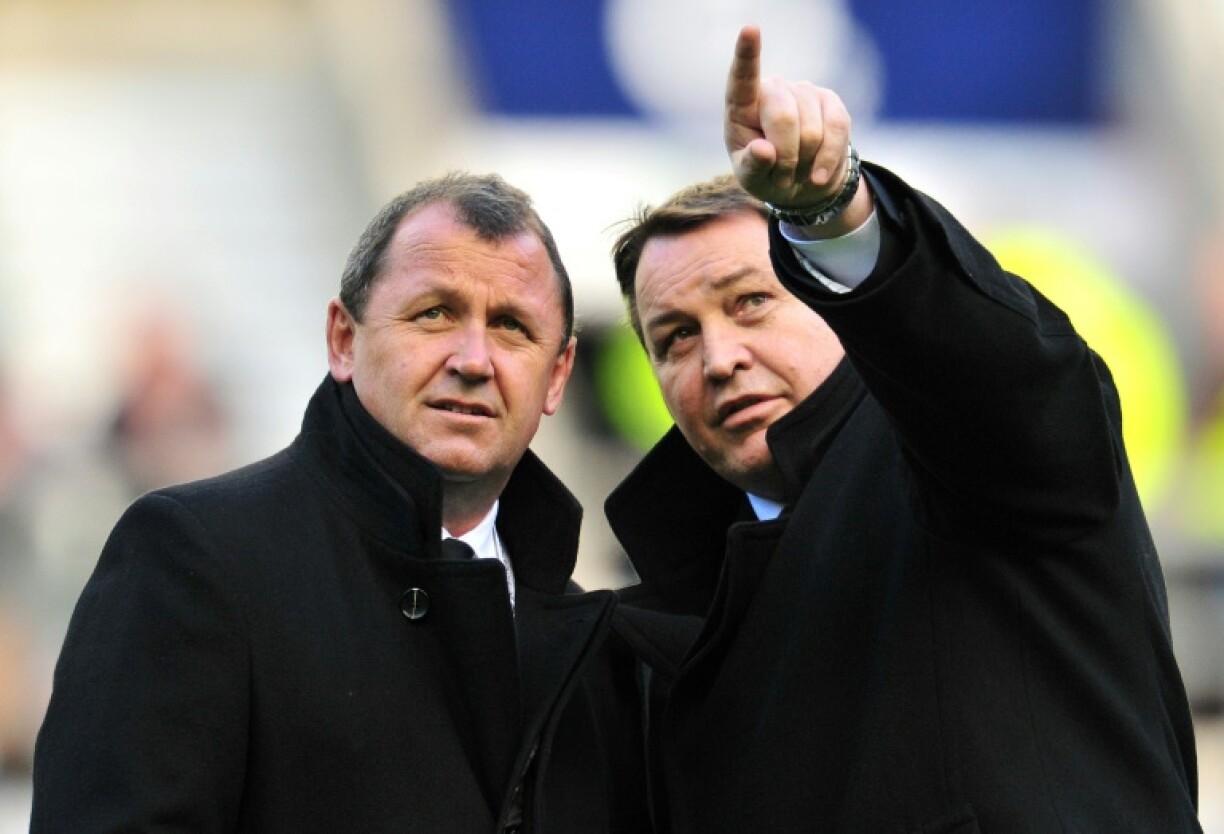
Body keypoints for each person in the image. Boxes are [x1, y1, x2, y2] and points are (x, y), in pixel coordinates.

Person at [605, 25, 1202, 832]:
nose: (717, 358)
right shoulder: (663, 639)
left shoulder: (966, 461)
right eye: (675, 336)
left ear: (834, 301)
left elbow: (992, 371)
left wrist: (828, 211)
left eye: (751, 302)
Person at [31, 172, 649, 833]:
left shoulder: (589, 640)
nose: (474, 359)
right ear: (343, 341)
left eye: (511, 326)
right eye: (434, 313)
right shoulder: (193, 557)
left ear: (557, 375)